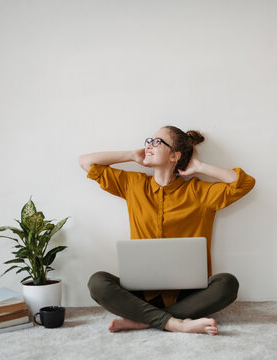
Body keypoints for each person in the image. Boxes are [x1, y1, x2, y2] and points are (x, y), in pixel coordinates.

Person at [79, 125, 256, 335]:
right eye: (148, 141)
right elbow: (85, 162)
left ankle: (145, 320)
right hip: (140, 293)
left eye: (157, 142)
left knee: (228, 284)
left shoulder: (199, 191)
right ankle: (176, 323)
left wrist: (198, 166)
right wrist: (131, 155)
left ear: (174, 156)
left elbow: (243, 184)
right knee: (97, 282)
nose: (149, 146)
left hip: (189, 294)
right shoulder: (133, 184)